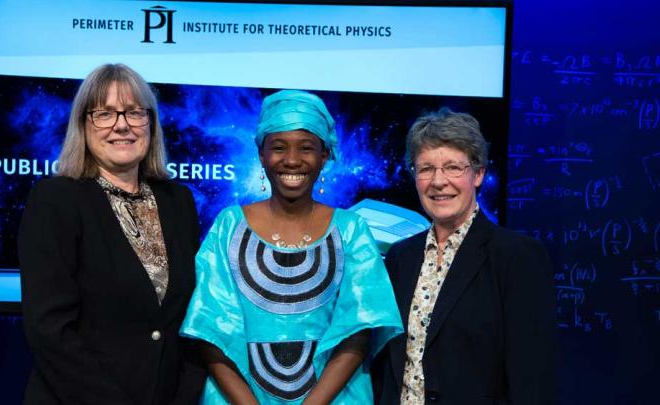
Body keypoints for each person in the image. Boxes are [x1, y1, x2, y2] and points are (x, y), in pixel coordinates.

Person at [180, 90, 403, 404]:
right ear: (261, 154)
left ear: (324, 156)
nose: (293, 160)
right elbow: (210, 332)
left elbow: (359, 332)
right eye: (279, 147)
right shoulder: (229, 226)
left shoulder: (351, 230)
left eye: (307, 148)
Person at [18, 63, 205, 404]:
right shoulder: (56, 199)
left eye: (134, 112)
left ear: (151, 123)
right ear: (83, 125)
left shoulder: (179, 201)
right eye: (104, 113)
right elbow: (50, 330)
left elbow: (190, 319)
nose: (122, 125)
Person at [372, 108, 557, 404]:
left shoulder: (517, 257)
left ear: (479, 173)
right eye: (426, 168)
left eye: (453, 168)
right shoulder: (400, 257)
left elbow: (532, 378)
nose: (438, 181)